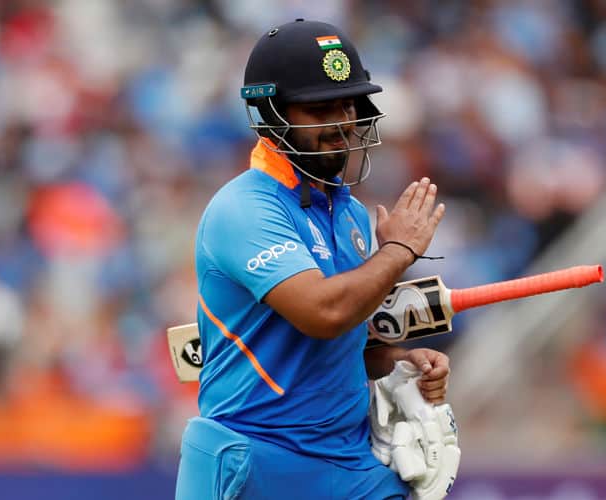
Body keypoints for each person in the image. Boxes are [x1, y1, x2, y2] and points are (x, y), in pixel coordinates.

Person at [175, 19, 450, 500]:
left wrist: (398, 362)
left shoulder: (351, 215)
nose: (342, 122)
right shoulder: (245, 209)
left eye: (347, 104)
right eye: (320, 109)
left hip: (346, 466)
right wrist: (399, 251)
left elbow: (345, 343)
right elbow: (323, 313)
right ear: (271, 117)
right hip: (258, 462)